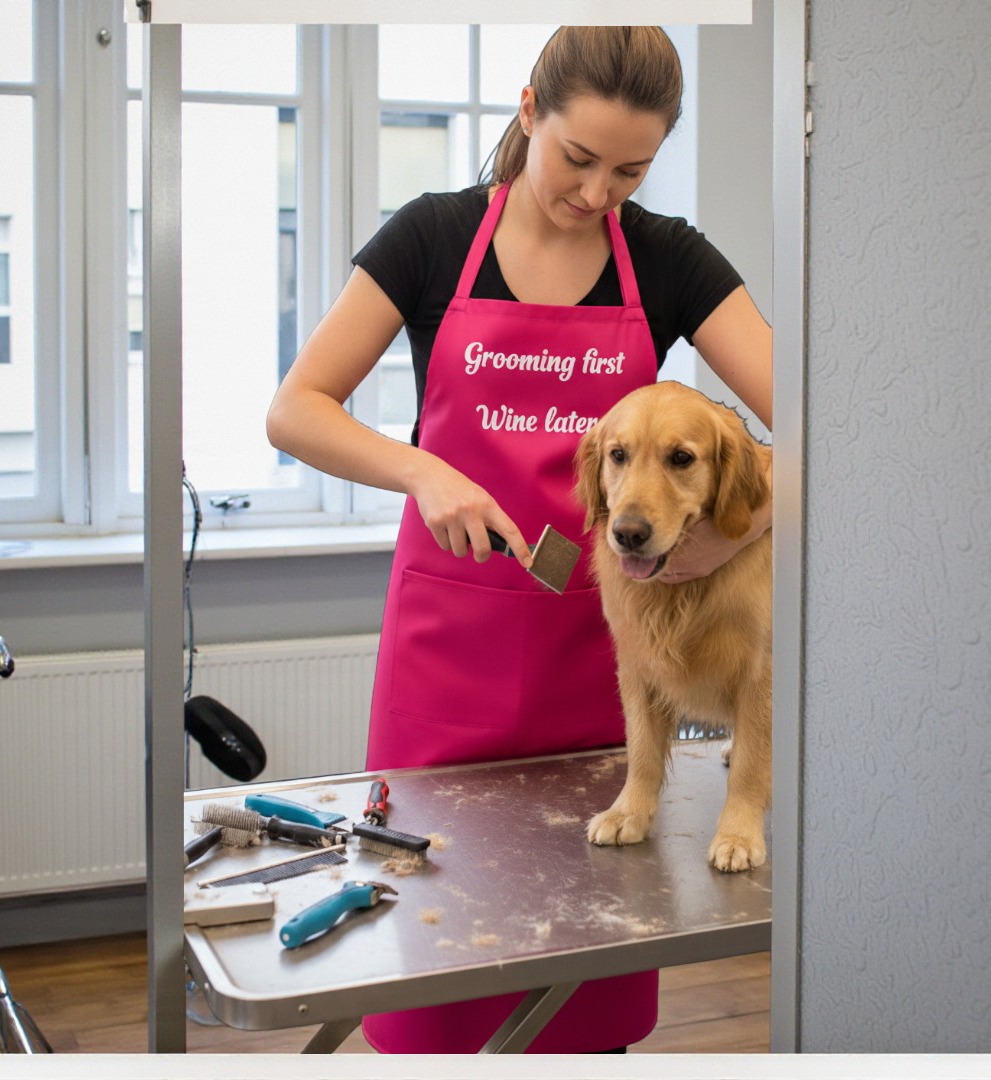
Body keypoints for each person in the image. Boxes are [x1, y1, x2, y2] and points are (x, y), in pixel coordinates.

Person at [267, 25, 772, 1055]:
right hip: (444, 671)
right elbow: (295, 410)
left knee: (582, 992)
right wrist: (423, 469)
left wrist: (726, 533)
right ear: (531, 107)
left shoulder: (667, 258)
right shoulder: (431, 237)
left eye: (629, 172)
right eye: (577, 158)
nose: (596, 194)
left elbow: (832, 431)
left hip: (600, 669)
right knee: (431, 981)